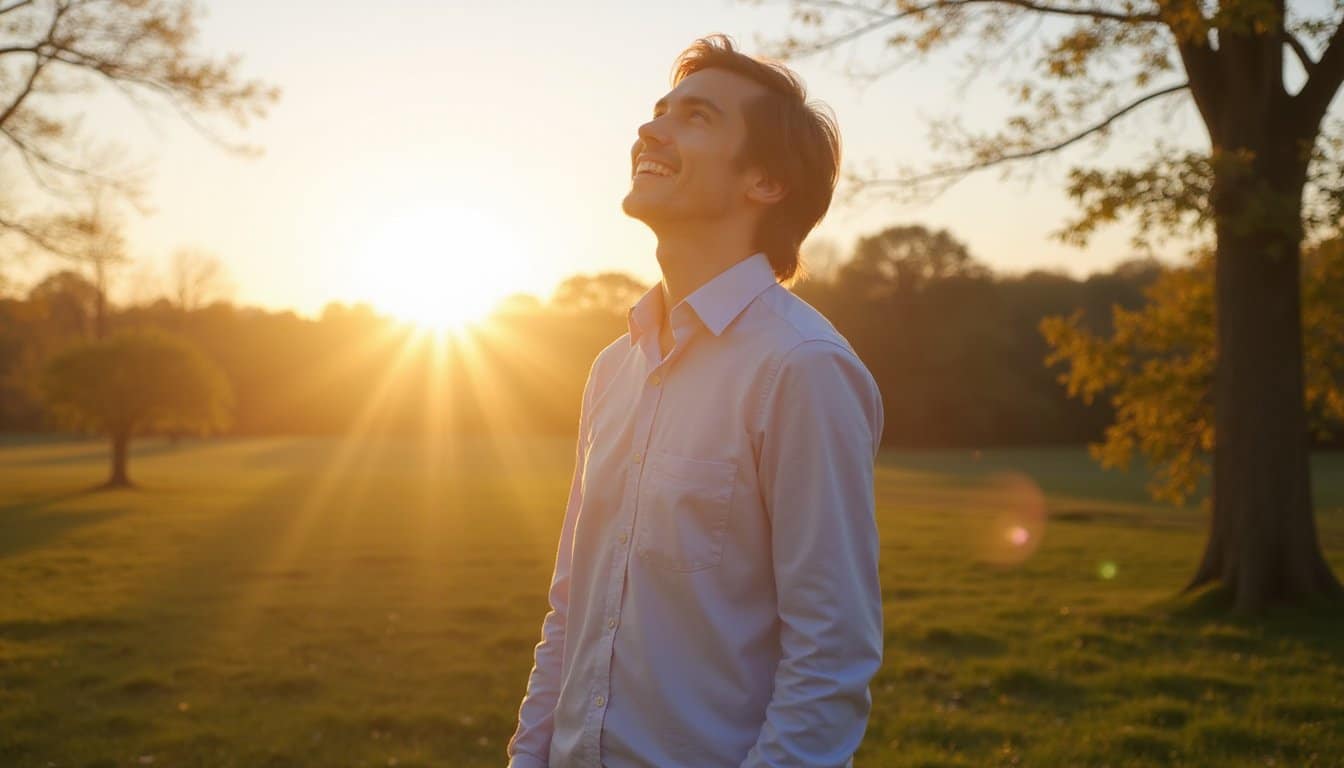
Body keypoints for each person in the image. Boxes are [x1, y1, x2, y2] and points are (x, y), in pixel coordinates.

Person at [507, 34, 884, 768]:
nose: (650, 130)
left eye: (697, 118)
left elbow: (830, 659)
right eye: (659, 112)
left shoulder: (802, 369)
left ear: (765, 183)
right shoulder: (614, 368)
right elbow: (572, 609)